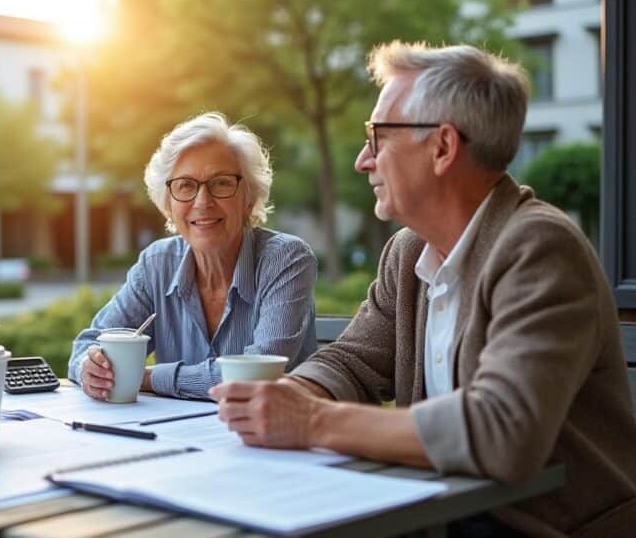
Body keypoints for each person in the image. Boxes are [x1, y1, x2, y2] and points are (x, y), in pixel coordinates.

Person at [212, 42, 636, 536]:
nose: (362, 160)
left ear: (442, 147)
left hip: (542, 526)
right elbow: (350, 360)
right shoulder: (408, 251)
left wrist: (311, 421)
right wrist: (285, 398)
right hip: (443, 513)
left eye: (377, 136)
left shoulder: (539, 247)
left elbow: (503, 431)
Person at [69, 113, 317, 400]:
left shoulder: (286, 259)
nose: (203, 202)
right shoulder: (156, 264)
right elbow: (86, 345)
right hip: (175, 436)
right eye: (185, 186)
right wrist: (90, 369)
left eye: (221, 183)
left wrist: (144, 376)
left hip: (270, 437)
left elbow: (256, 375)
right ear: (168, 205)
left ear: (248, 198)